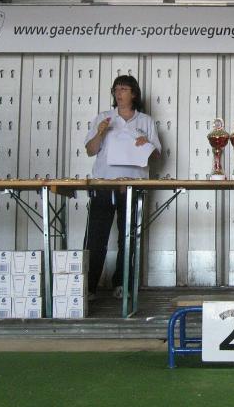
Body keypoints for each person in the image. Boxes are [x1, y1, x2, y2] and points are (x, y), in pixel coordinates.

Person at [84, 75, 161, 300]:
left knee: (128, 238)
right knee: (96, 238)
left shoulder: (145, 121)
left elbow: (157, 155)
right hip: (104, 185)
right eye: (116, 89)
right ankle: (89, 287)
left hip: (132, 186)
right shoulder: (103, 118)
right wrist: (100, 132)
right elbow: (90, 150)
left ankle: (122, 283)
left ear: (134, 94)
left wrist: (146, 144)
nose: (119, 93)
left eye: (124, 89)